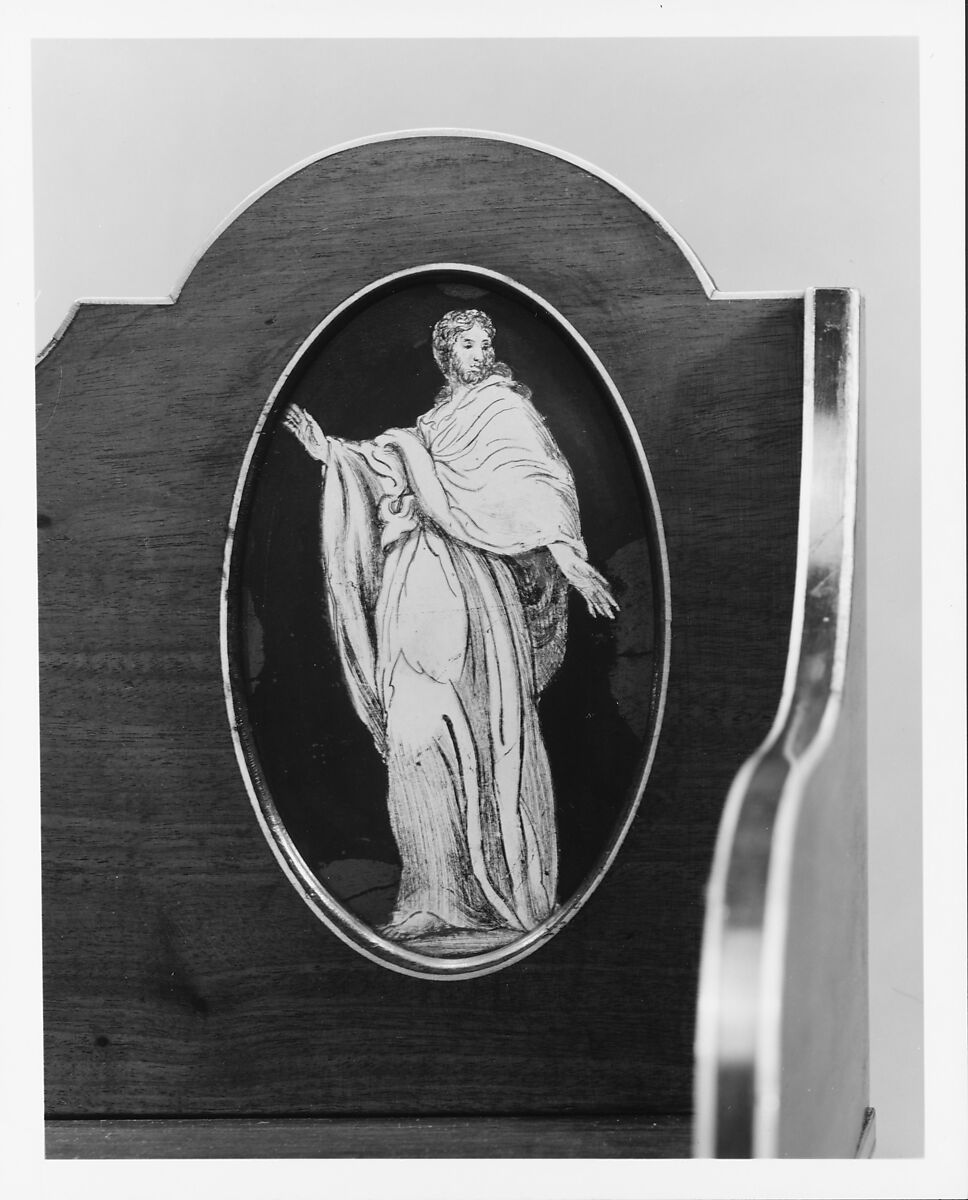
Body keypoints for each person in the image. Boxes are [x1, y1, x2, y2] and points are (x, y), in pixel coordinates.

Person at [283, 309, 616, 946]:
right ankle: (433, 897)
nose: (482, 351)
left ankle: (497, 891)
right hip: (412, 580)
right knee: (413, 731)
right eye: (468, 342)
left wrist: (574, 563)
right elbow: (382, 467)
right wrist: (330, 453)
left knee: (489, 730)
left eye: (487, 340)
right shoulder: (427, 429)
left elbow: (539, 489)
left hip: (473, 587)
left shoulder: (505, 411)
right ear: (446, 354)